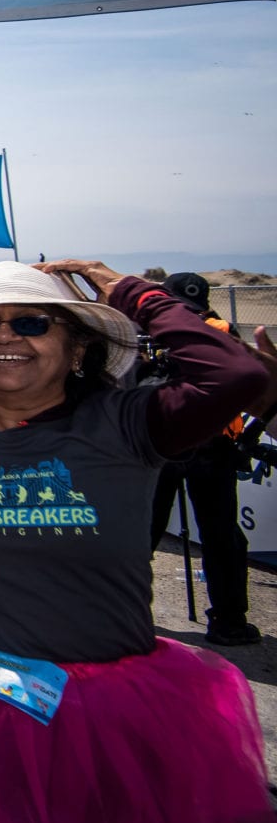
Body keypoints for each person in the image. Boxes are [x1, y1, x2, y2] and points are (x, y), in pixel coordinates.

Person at [0, 260, 274, 823]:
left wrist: (130, 293)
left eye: (31, 322)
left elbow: (236, 377)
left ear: (76, 348)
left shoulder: (130, 422)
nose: (3, 336)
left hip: (117, 713)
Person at [146, 271, 260, 646]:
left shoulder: (152, 330)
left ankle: (121, 612)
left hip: (162, 443)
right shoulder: (223, 330)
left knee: (141, 529)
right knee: (221, 535)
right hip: (215, 446)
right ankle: (229, 623)